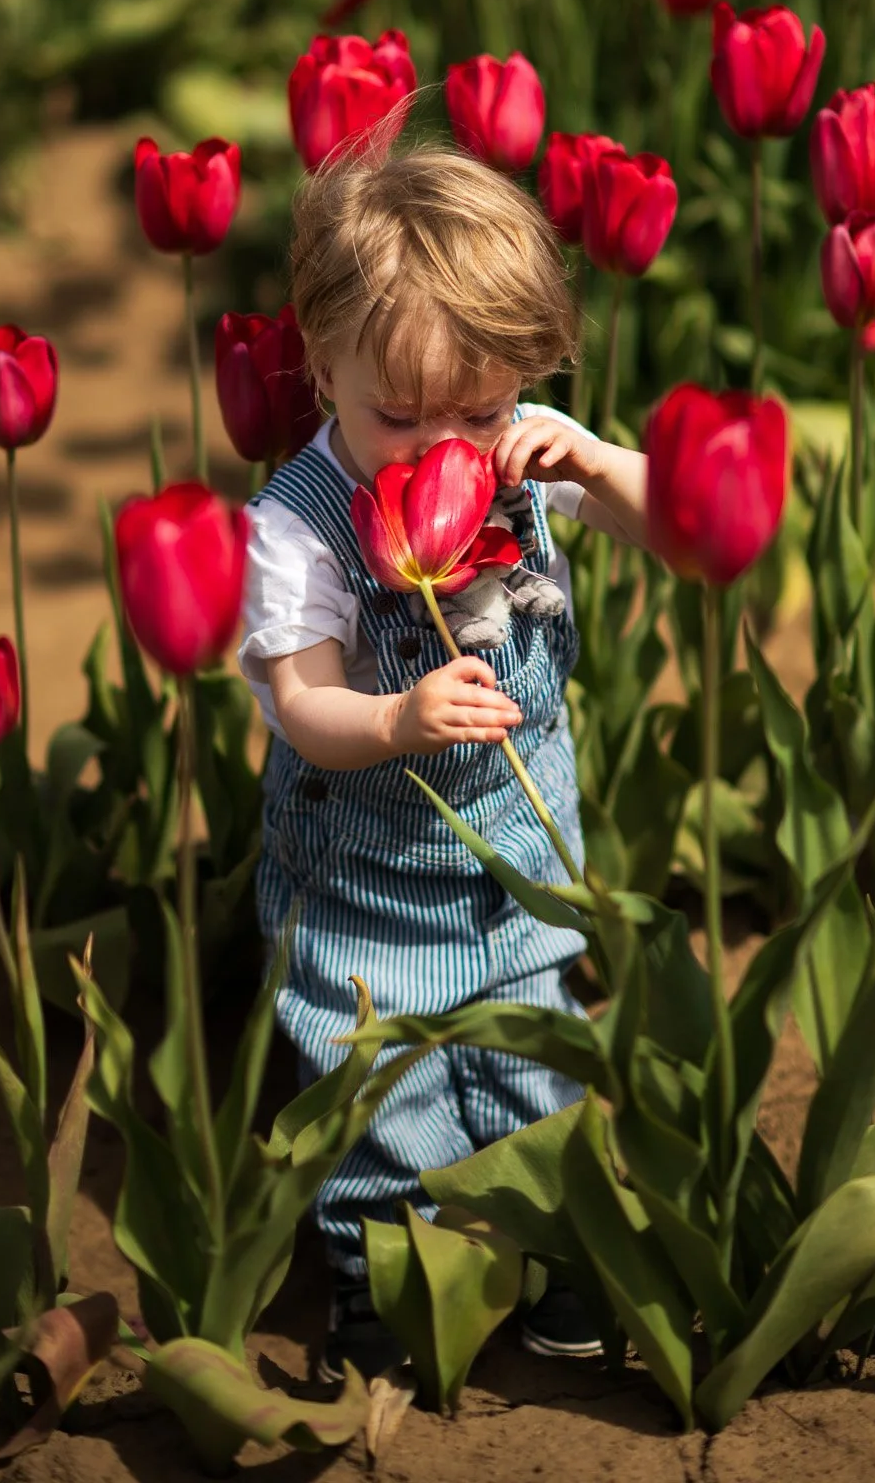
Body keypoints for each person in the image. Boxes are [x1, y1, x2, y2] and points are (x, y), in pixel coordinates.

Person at [237, 139, 648, 1382]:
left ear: (520, 375)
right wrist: (398, 719)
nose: (442, 447)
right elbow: (304, 703)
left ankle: (560, 1238)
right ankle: (382, 1274)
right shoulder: (295, 527)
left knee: (533, 1049)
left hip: (520, 850)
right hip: (365, 871)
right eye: (396, 415)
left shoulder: (529, 443)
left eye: (478, 408)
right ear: (323, 367)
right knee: (381, 1087)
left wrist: (594, 463)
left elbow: (673, 519)